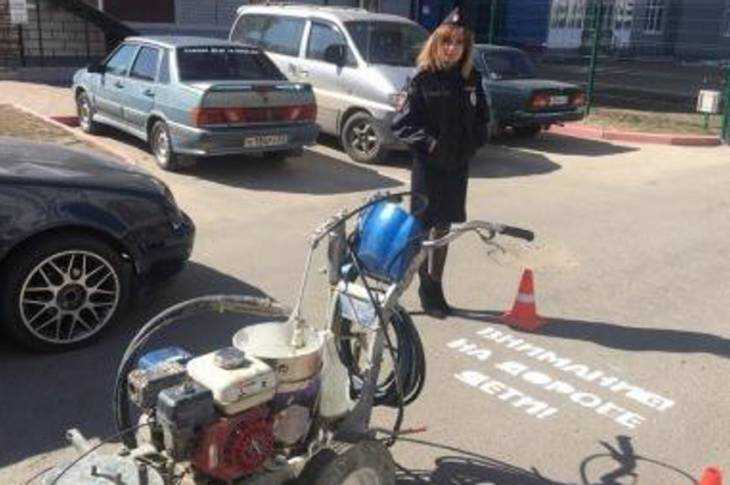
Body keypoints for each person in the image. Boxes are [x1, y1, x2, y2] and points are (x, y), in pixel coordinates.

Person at [392, 6, 489, 319]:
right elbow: (402, 124)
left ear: (466, 47)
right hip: (429, 166)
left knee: (444, 227)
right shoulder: (422, 78)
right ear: (437, 42)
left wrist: (473, 144)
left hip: (457, 166)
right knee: (422, 228)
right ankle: (418, 286)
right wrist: (432, 145)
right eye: (447, 41)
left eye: (459, 43)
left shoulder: (470, 78)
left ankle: (436, 286)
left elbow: (482, 118)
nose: (452, 48)